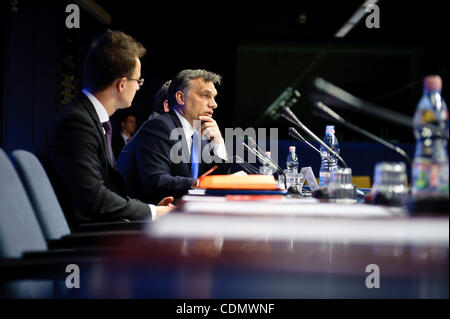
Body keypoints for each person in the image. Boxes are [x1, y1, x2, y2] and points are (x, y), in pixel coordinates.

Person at [38, 29, 174, 227]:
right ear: (121, 84)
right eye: (138, 81)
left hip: (101, 229)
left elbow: (104, 192)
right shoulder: (76, 124)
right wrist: (152, 212)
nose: (138, 87)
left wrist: (148, 209)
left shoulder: (88, 118)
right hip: (82, 241)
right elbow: (94, 200)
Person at [117, 69, 230, 204]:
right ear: (181, 98)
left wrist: (219, 144)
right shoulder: (158, 127)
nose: (214, 104)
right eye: (205, 95)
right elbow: (156, 181)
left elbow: (214, 181)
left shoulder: (202, 135)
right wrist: (199, 183)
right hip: (147, 219)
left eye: (214, 97)